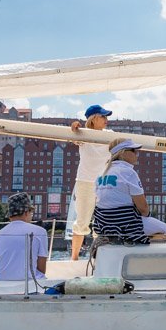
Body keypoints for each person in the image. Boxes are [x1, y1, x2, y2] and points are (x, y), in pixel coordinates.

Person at [93, 139, 166, 243]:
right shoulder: (128, 172)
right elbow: (143, 208)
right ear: (122, 153)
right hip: (126, 225)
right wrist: (145, 218)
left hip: (104, 226)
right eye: (134, 150)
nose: (137, 154)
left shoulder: (101, 172)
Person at [69, 104, 113, 261]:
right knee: (82, 221)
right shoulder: (83, 135)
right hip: (85, 182)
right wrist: (74, 127)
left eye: (106, 117)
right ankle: (74, 258)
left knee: (102, 222)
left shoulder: (110, 135)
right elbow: (73, 136)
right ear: (93, 119)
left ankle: (98, 258)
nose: (106, 120)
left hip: (104, 182)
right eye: (103, 116)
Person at [0, 193, 48, 280]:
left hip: (1, 282)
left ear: (10, 215)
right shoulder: (40, 232)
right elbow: (41, 270)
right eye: (31, 213)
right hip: (30, 285)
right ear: (26, 212)